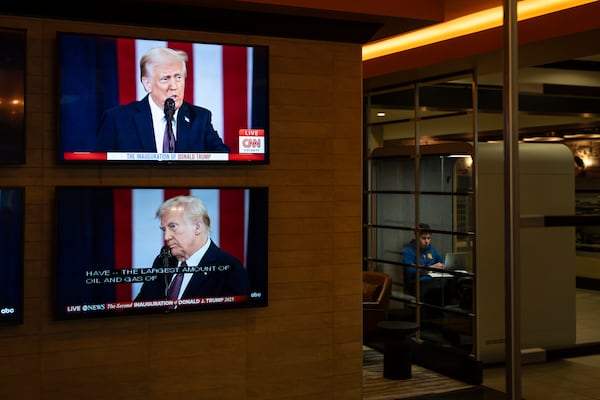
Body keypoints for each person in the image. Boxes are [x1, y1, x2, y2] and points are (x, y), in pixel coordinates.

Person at [96, 47, 231, 153]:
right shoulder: (117, 120)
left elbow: (224, 159)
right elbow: (99, 173)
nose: (174, 86)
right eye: (165, 79)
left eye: (178, 77)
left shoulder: (200, 119)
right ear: (147, 84)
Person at [134, 195, 249, 306]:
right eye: (164, 229)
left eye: (173, 226)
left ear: (197, 228)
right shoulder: (162, 262)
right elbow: (141, 306)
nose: (166, 237)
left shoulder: (229, 269)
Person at [400, 223, 445, 301]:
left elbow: (441, 262)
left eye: (429, 238)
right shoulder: (407, 251)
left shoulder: (432, 249)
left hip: (433, 281)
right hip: (417, 284)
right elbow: (410, 271)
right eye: (423, 238)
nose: (427, 241)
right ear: (416, 237)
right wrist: (430, 268)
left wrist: (442, 266)